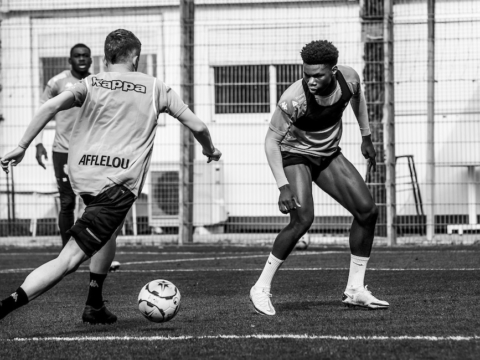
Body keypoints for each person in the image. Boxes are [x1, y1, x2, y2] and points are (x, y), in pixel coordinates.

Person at [0, 29, 221, 323]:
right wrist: (210, 150)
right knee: (68, 260)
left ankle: (94, 305)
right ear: (136, 58)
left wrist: (21, 146)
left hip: (85, 178)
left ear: (105, 58)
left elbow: (51, 105)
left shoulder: (90, 82)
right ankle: (5, 306)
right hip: (115, 188)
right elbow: (198, 126)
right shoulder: (155, 87)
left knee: (110, 232)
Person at [249, 40, 389, 316]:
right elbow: (271, 142)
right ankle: (260, 288)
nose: (311, 81)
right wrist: (283, 186)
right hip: (295, 156)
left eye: (318, 75)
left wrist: (366, 136)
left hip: (327, 155)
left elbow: (357, 100)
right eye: (306, 74)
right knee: (303, 218)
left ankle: (354, 290)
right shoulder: (293, 99)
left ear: (333, 71)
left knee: (367, 211)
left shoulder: (349, 79)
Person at [36, 43, 92, 248]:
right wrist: (38, 143)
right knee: (67, 202)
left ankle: (93, 249)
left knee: (93, 203)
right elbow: (43, 111)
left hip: (89, 152)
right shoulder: (57, 82)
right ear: (70, 60)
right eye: (77, 56)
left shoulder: (96, 83)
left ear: (91, 59)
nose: (82, 59)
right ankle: (66, 250)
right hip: (63, 151)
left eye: (86, 55)